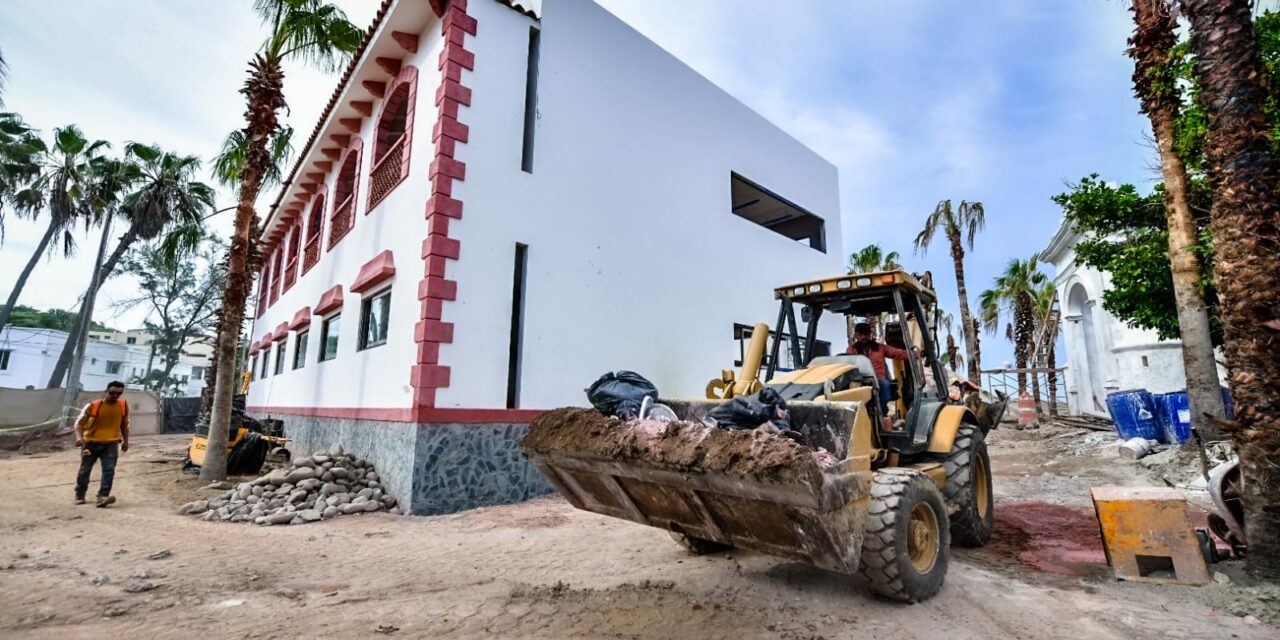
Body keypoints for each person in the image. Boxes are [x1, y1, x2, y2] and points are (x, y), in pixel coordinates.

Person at [74, 381, 130, 507]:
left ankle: (103, 496)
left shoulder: (123, 406)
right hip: (90, 443)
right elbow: (79, 424)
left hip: (111, 444)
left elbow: (124, 425)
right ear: (106, 391)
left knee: (109, 470)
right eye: (112, 393)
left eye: (119, 393)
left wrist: (126, 441)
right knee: (85, 470)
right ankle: (80, 494)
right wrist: (79, 438)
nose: (115, 396)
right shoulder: (93, 406)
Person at [845, 322, 910, 419]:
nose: (864, 336)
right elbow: (848, 363)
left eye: (866, 334)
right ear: (856, 335)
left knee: (884, 384)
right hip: (860, 381)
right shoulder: (851, 350)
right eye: (861, 334)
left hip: (878, 380)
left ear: (870, 334)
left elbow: (897, 353)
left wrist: (912, 354)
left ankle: (882, 413)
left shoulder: (880, 347)